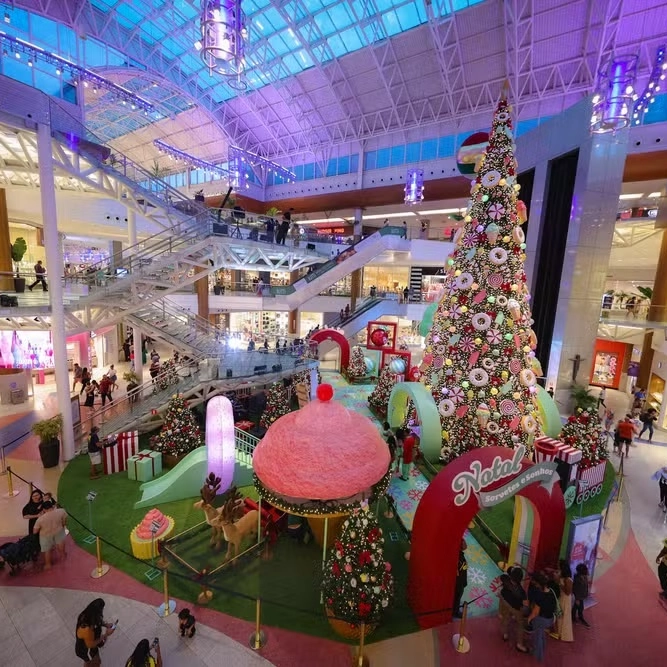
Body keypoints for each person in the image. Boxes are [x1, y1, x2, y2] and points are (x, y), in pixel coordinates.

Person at [526, 572, 557, 661]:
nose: (535, 585)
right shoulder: (552, 591)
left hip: (541, 620)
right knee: (542, 635)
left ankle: (538, 656)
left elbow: (535, 612)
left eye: (535, 583)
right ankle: (541, 650)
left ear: (539, 584)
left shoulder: (540, 595)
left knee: (537, 637)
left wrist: (529, 619)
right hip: (551, 619)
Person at [75, 598, 115, 666]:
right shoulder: (86, 629)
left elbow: (98, 621)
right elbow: (90, 644)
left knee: (97, 661)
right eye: (101, 610)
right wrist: (105, 634)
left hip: (92, 643)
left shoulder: (87, 615)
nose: (102, 611)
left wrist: (106, 625)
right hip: (84, 649)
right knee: (91, 663)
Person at [499, 566, 528, 652]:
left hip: (505, 604)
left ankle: (505, 634)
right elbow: (525, 604)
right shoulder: (521, 591)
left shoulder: (505, 580)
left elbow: (503, 576)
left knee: (506, 618)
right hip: (516, 609)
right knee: (520, 624)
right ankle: (519, 644)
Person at [33, 499, 67, 570]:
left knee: (47, 550)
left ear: (44, 509)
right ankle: (63, 556)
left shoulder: (40, 519)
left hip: (45, 535)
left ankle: (48, 564)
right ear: (52, 506)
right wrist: (62, 525)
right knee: (60, 543)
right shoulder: (61, 511)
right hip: (59, 530)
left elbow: (35, 531)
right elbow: (64, 521)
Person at [555, 560, 574, 641]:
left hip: (565, 599)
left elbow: (568, 592)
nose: (558, 567)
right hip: (561, 597)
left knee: (564, 615)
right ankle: (559, 632)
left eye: (559, 566)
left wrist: (559, 583)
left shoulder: (568, 579)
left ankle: (564, 634)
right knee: (559, 614)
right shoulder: (562, 577)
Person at [571, 563, 591, 627]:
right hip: (578, 597)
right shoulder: (577, 579)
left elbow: (586, 586)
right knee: (578, 607)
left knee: (578, 607)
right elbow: (575, 589)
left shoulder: (584, 577)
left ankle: (576, 617)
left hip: (582, 596)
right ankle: (575, 617)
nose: (587, 571)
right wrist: (577, 598)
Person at [453, 539, 468, 618]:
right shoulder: (456, 558)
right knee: (456, 597)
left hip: (461, 580)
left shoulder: (460, 555)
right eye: (462, 542)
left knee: (457, 597)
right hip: (458, 583)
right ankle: (454, 612)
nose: (464, 543)